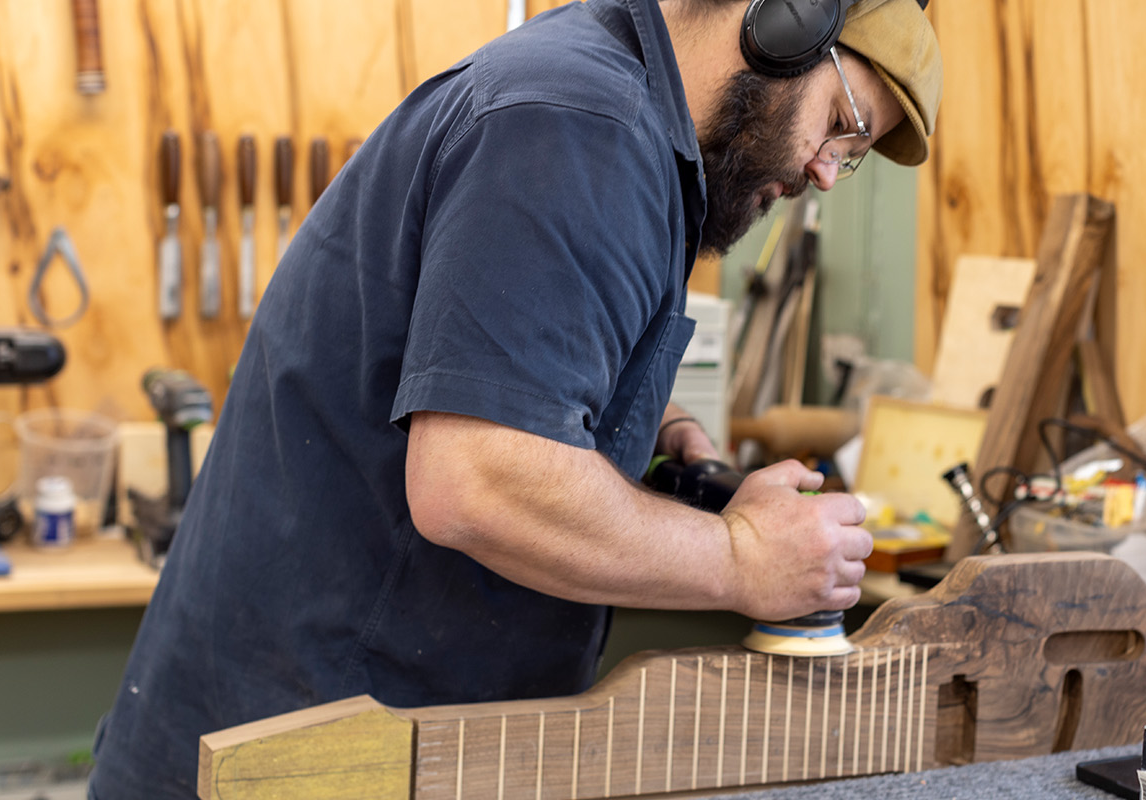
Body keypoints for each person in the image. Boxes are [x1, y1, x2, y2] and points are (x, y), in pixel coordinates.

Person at [88, 0, 941, 795]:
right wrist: (743, 559)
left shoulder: (619, 117)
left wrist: (647, 418)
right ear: (784, 22)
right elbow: (476, 482)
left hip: (342, 729)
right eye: (841, 123)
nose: (829, 173)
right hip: (306, 750)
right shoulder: (581, 125)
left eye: (854, 156)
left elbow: (500, 363)